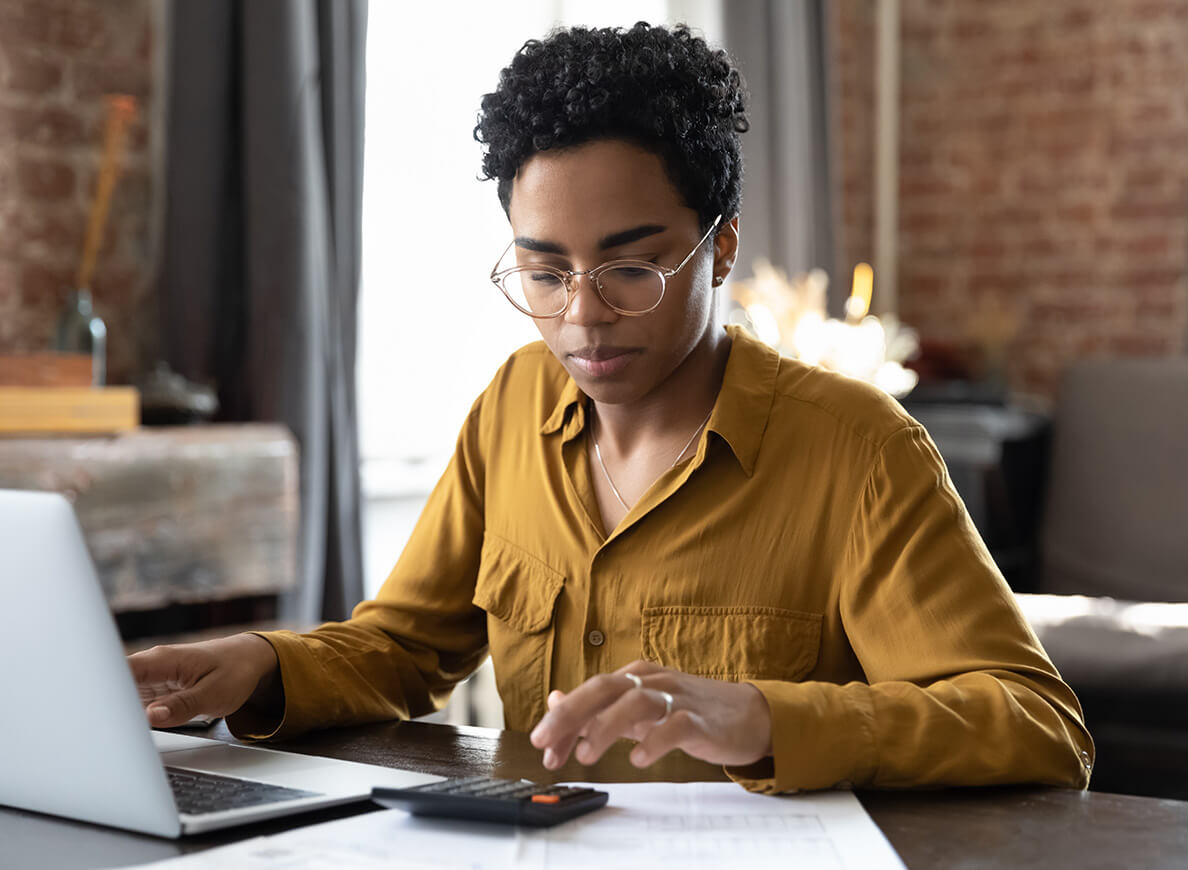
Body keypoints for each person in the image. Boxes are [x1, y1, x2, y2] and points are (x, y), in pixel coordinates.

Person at [130, 22, 1093, 794]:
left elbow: (1037, 723)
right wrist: (256, 662)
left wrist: (769, 720)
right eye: (544, 271)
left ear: (720, 250)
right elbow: (404, 649)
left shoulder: (860, 453)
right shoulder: (513, 403)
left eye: (631, 266)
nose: (582, 314)